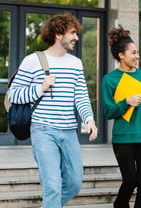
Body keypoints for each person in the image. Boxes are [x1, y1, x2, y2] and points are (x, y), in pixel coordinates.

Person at [8, 13, 98, 207]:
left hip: (69, 131)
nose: (76, 37)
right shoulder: (33, 60)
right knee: (52, 186)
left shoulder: (75, 63)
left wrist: (89, 119)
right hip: (43, 130)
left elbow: (81, 95)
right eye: (72, 33)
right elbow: (13, 95)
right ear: (58, 33)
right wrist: (40, 88)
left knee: (74, 183)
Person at [101, 25, 141, 208]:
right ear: (121, 55)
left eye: (137, 52)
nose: (137, 56)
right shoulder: (109, 79)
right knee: (130, 181)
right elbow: (108, 112)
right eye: (133, 52)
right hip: (123, 137)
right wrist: (126, 102)